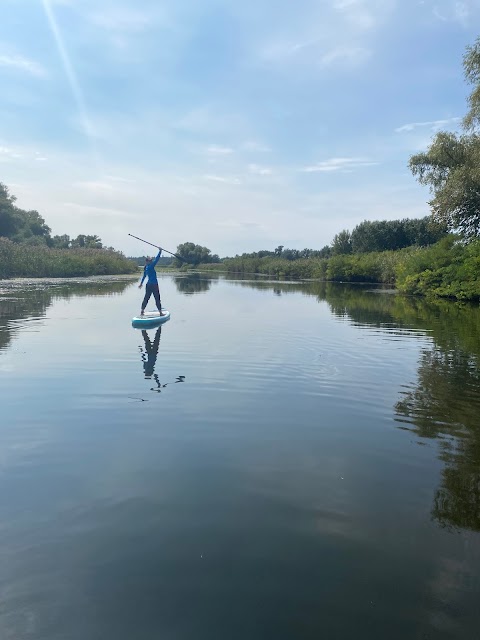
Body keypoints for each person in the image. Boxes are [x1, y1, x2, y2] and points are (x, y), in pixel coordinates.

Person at [138, 249, 165, 316]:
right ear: (147, 261)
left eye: (151, 260)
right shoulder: (151, 266)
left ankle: (142, 311)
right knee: (157, 298)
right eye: (150, 260)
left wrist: (141, 283)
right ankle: (160, 312)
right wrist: (160, 251)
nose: (151, 261)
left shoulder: (146, 267)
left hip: (148, 285)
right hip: (154, 285)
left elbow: (144, 276)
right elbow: (157, 259)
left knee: (146, 298)